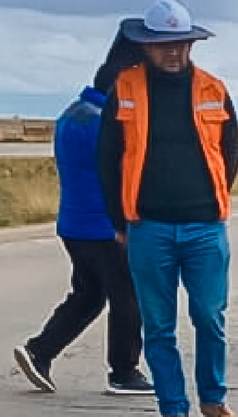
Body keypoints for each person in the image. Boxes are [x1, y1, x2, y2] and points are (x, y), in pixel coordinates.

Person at [100, 0, 238, 417]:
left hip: (205, 226)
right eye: (163, 45)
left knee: (209, 316)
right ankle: (173, 411)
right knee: (158, 325)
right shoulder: (124, 88)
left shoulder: (213, 89)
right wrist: (119, 222)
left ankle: (214, 401)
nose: (173, 52)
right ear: (145, 46)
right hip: (149, 228)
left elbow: (231, 152)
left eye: (181, 44)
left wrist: (209, 196)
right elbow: (107, 158)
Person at [14, 30, 152, 396]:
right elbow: (126, 169)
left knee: (89, 294)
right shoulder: (103, 122)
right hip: (103, 226)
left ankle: (39, 351)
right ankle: (123, 370)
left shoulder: (71, 114)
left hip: (73, 222)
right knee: (128, 295)